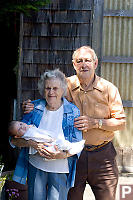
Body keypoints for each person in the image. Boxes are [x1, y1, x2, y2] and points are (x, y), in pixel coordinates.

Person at [22, 46, 126, 200]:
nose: (84, 64)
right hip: (73, 155)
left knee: (107, 197)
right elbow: (48, 98)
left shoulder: (109, 89)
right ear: (74, 64)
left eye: (88, 61)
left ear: (95, 63)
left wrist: (95, 122)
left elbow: (121, 123)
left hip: (103, 155)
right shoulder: (64, 85)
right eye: (79, 61)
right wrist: (30, 106)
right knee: (71, 197)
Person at [10, 69, 83, 200]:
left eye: (55, 88)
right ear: (43, 90)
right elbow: (14, 139)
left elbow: (77, 144)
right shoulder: (33, 107)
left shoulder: (73, 112)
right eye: (47, 88)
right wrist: (31, 143)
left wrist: (62, 154)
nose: (51, 92)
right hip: (35, 167)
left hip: (60, 168)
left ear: (62, 90)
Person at [8, 120, 85, 155]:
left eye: (21, 124)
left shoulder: (28, 129)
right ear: (17, 136)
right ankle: (72, 148)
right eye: (19, 130)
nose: (22, 127)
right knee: (62, 144)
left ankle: (72, 147)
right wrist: (49, 138)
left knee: (62, 144)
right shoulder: (29, 133)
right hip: (48, 142)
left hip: (48, 143)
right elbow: (39, 137)